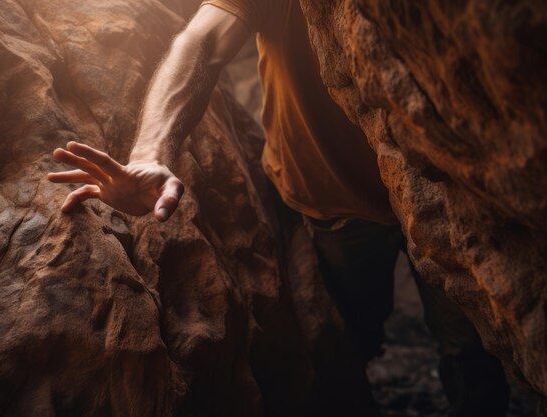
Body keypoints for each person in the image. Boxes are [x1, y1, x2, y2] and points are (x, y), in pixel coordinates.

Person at [47, 1, 510, 415]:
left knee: (472, 349)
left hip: (448, 200)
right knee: (349, 332)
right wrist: (151, 151)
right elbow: (203, 40)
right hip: (332, 200)